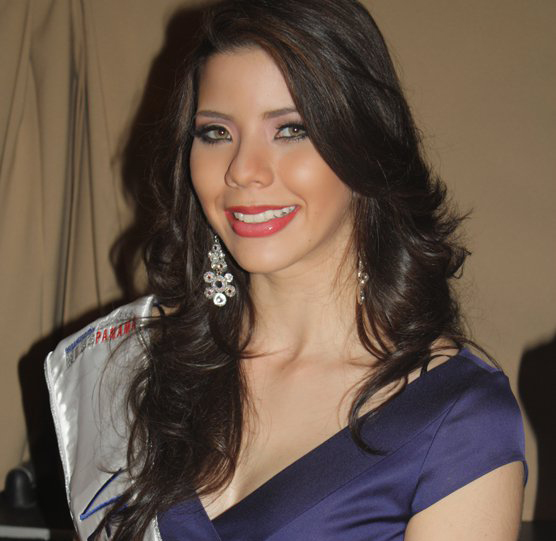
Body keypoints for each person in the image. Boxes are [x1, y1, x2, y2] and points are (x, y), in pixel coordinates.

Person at [45, 1, 527, 539]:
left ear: (364, 146)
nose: (243, 171)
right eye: (216, 133)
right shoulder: (139, 363)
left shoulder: (455, 417)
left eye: (291, 129)